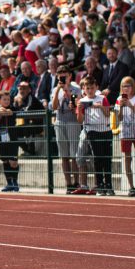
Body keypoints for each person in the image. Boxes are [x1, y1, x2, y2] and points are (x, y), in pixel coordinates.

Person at [76, 76, 113, 195]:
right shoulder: (82, 101)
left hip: (105, 130)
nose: (90, 90)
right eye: (87, 88)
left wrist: (100, 107)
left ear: (96, 87)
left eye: (92, 88)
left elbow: (108, 114)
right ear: (84, 89)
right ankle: (100, 185)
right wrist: (79, 109)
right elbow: (79, 120)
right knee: (97, 158)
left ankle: (109, 185)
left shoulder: (102, 98)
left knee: (107, 159)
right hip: (92, 131)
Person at [51, 65, 82, 193]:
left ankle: (76, 182)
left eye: (64, 74)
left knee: (74, 154)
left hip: (72, 122)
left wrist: (68, 92)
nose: (62, 76)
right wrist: (58, 90)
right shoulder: (55, 90)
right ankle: (68, 183)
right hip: (60, 121)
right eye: (60, 74)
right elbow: (53, 107)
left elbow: (76, 106)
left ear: (69, 75)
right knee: (64, 155)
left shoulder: (76, 88)